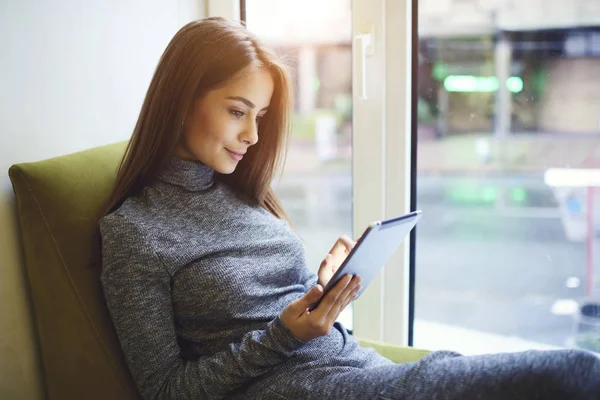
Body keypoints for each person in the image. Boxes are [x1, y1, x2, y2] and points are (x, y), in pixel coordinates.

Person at [99, 17, 600, 400]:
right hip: (304, 388)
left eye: (261, 117)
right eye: (237, 112)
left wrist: (325, 291)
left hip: (353, 364)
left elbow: (278, 304)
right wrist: (283, 337)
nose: (252, 136)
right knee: (571, 374)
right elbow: (165, 389)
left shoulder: (238, 190)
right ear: (183, 100)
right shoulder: (135, 233)